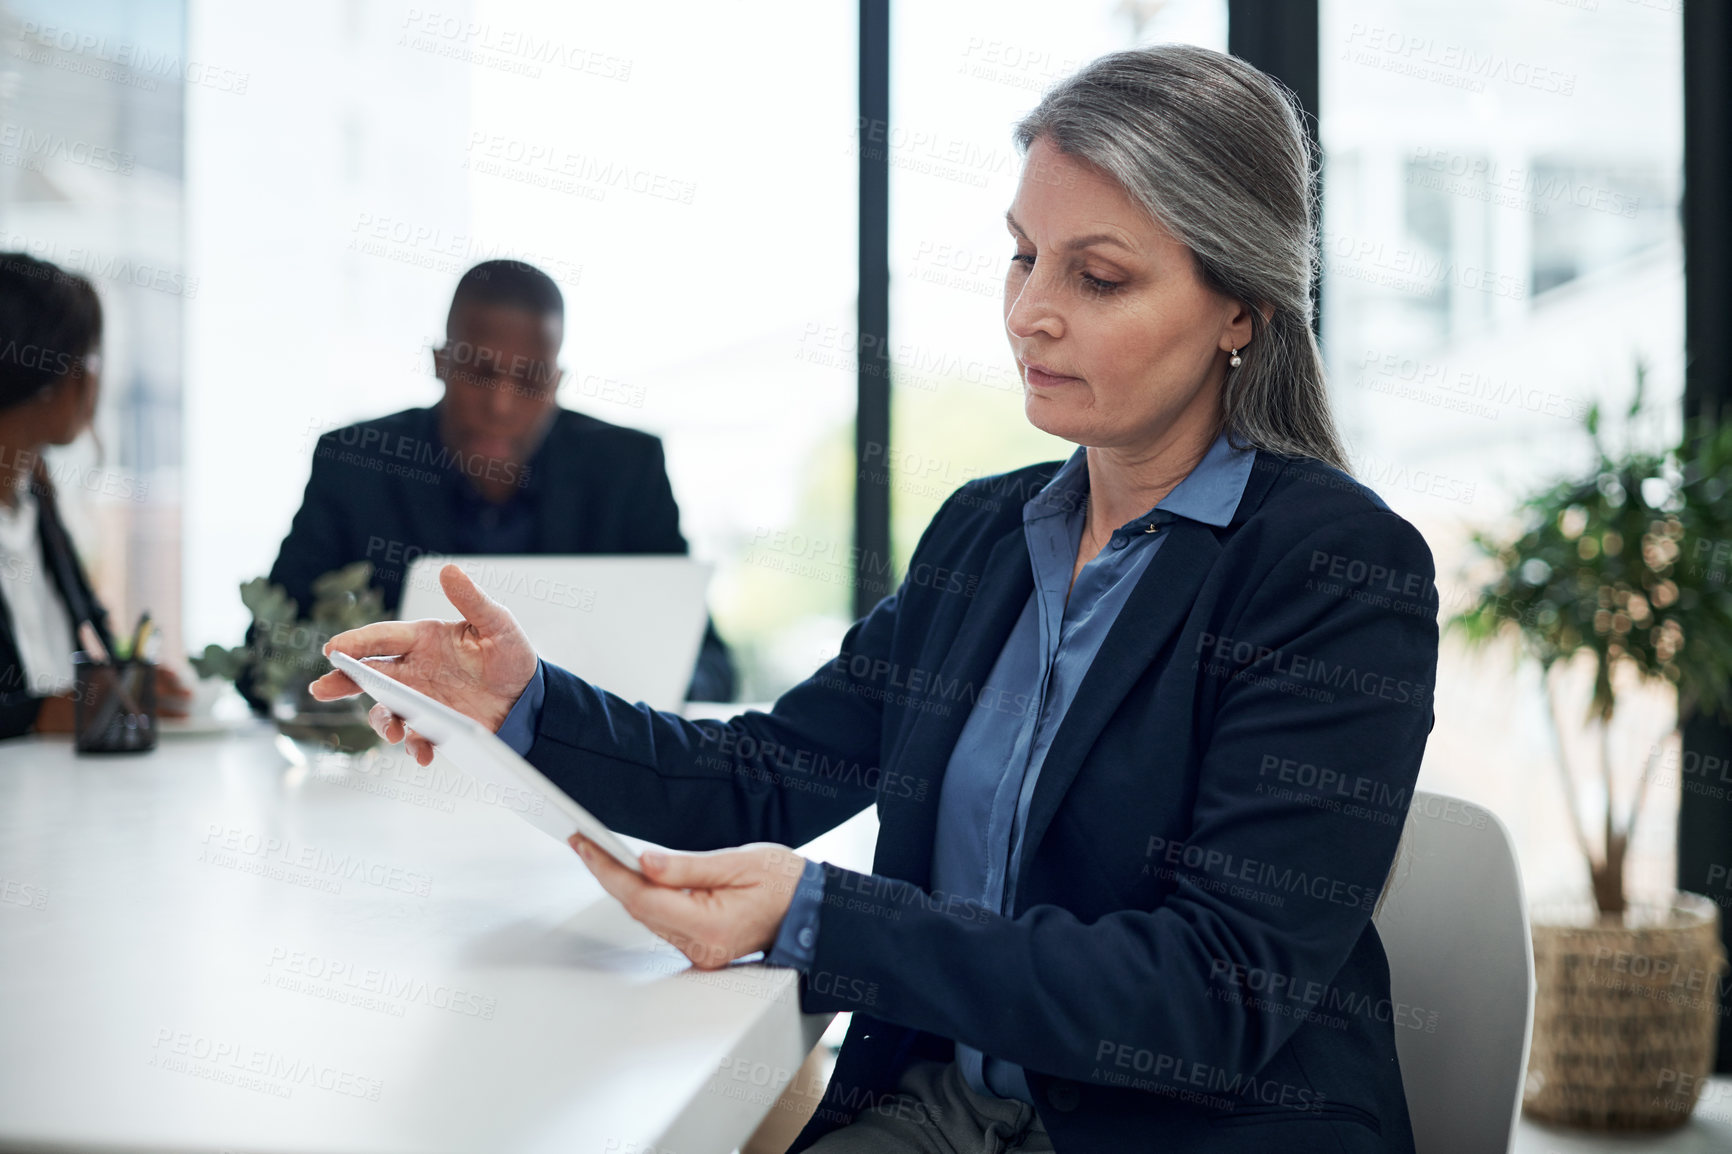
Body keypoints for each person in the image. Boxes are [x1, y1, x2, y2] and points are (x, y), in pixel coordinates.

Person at [315, 45, 1438, 1153]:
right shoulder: (985, 535)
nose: (1029, 313)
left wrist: (823, 915)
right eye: (1020, 257)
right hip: (947, 1112)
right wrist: (523, 703)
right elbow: (767, 770)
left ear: (1240, 307)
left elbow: (1212, 996)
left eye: (1096, 277)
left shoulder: (1335, 570)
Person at [263, 258, 735, 705]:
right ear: (440, 363)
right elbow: (266, 651)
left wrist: (638, 694)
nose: (501, 407)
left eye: (530, 381)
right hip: (394, 763)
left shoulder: (627, 468)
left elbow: (709, 663)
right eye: (480, 373)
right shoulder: (357, 462)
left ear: (556, 382)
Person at [0, 253, 189, 739]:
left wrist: (125, 681)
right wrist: (38, 715)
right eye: (89, 357)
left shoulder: (32, 491)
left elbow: (89, 644)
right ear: (48, 373)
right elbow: (39, 707)